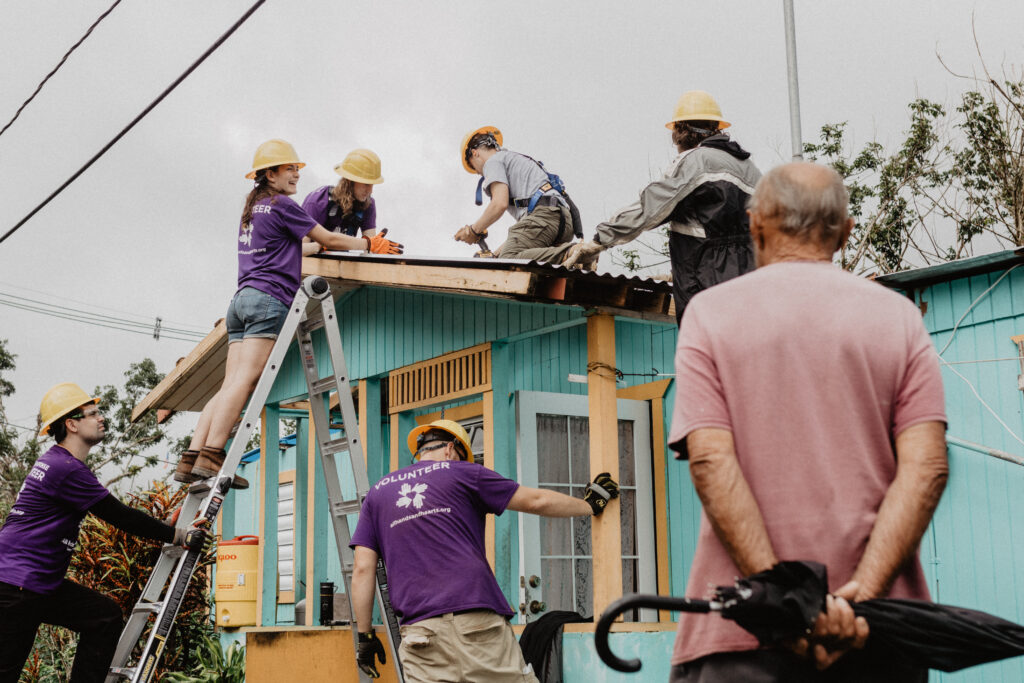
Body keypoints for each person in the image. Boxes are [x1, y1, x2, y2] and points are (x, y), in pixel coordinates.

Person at [667, 162, 949, 682]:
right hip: (878, 628)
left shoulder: (709, 314)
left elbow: (709, 460)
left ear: (755, 225)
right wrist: (860, 593)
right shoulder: (900, 318)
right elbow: (927, 467)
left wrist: (785, 605)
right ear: (845, 232)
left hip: (743, 629)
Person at [173, 139, 403, 487]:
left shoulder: (255, 206)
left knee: (229, 383)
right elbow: (328, 238)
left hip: (240, 300)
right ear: (270, 173)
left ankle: (191, 458)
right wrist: (369, 244)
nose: (297, 174)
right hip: (268, 298)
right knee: (246, 383)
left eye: (297, 169)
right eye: (290, 169)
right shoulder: (284, 204)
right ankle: (212, 456)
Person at [349, 420, 619, 682]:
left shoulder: (377, 494)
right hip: (475, 624)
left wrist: (365, 638)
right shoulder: (464, 473)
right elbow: (537, 501)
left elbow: (362, 570)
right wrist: (590, 505)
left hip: (419, 635)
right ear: (452, 448)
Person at [0, 383, 208, 683]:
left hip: (36, 582)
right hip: (17, 586)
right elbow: (119, 515)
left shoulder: (57, 463)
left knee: (103, 616)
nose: (101, 418)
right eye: (93, 413)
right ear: (71, 424)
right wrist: (178, 535)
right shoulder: (66, 468)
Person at [565, 91, 762, 322]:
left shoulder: (696, 161)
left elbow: (650, 207)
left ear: (682, 132)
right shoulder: (750, 169)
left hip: (706, 279)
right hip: (751, 281)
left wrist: (599, 241)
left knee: (705, 351)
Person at [454, 126, 577, 264]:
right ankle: (575, 257)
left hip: (545, 217)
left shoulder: (492, 162)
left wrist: (473, 231)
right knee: (509, 259)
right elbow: (524, 235)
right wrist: (495, 257)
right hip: (563, 222)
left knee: (509, 260)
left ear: (475, 153)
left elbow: (499, 204)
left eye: (474, 167)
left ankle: (573, 253)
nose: (478, 173)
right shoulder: (514, 160)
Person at [301, 148, 383, 256]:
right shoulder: (318, 202)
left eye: (372, 185)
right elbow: (299, 249)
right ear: (350, 180)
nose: (370, 191)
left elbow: (370, 248)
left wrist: (379, 249)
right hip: (311, 267)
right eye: (366, 184)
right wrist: (323, 245)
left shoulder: (368, 204)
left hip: (341, 266)